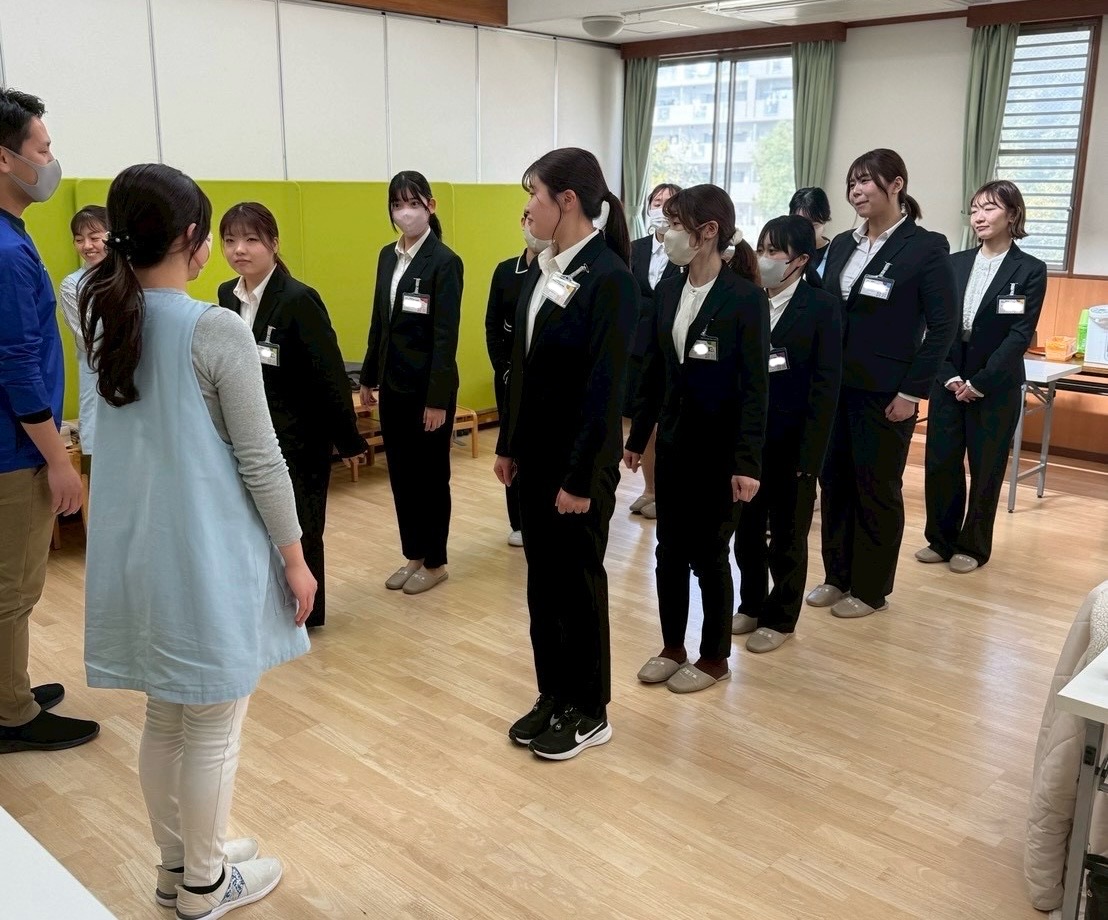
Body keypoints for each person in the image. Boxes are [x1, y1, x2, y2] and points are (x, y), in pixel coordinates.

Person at [80, 163, 315, 917]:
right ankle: (207, 885)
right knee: (213, 722)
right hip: (205, 556)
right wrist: (296, 558)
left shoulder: (102, 314)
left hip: (138, 552)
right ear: (192, 238)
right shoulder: (214, 328)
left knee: (167, 716)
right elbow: (262, 459)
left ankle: (179, 863)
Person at [494, 147, 637, 759]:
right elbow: (521, 369)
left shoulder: (610, 279)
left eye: (535, 195)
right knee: (543, 586)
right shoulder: (543, 271)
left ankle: (590, 709)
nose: (529, 208)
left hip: (579, 466)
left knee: (578, 586)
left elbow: (604, 391)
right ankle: (553, 693)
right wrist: (508, 444)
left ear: (568, 201)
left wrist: (579, 479)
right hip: (536, 459)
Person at [626, 185, 769, 691]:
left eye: (675, 224)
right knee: (668, 550)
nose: (665, 234)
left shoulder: (744, 299)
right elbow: (654, 371)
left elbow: (756, 388)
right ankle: (672, 646)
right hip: (673, 445)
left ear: (707, 232)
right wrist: (637, 435)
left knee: (710, 554)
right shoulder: (669, 288)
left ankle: (714, 657)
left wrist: (747, 462)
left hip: (720, 451)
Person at [807, 148, 957, 619]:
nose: (856, 190)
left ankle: (870, 589)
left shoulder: (925, 247)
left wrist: (912, 392)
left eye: (866, 181)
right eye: (851, 182)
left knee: (876, 488)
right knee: (834, 483)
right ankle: (837, 576)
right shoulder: (841, 245)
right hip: (834, 388)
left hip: (887, 392)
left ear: (896, 185)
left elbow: (943, 326)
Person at [0, 87, 99, 755]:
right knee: (14, 587)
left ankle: (10, 688)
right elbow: (17, 365)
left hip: (17, 443)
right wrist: (58, 459)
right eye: (42, 149)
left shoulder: (14, 237)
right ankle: (11, 714)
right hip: (15, 452)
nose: (50, 161)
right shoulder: (8, 252)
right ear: (5, 159)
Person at [217, 202, 366, 628]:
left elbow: (328, 372)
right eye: (230, 240)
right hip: (249, 435)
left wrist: (348, 438)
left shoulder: (298, 299)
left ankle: (307, 615)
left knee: (302, 526)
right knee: (257, 526)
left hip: (299, 438)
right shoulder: (227, 296)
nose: (239, 249)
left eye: (251, 239)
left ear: (273, 244)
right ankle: (268, 606)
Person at [917, 180, 1046, 573]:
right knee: (941, 462)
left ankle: (972, 547)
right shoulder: (953, 263)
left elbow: (1019, 335)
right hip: (949, 379)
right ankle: (940, 540)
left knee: (986, 467)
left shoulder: (1030, 269)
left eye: (989, 208)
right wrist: (949, 376)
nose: (979, 216)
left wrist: (980, 382)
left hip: (996, 385)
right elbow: (935, 325)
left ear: (1012, 214)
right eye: (974, 209)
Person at [732, 216, 841, 653]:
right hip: (749, 441)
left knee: (788, 536)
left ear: (801, 260)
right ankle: (751, 603)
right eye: (761, 248)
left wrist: (810, 458)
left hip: (793, 443)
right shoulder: (748, 299)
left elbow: (826, 387)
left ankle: (780, 617)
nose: (765, 258)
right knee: (746, 532)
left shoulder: (821, 308)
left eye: (774, 251)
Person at [359, 171, 462, 596]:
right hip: (393, 386)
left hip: (428, 391)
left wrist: (437, 400)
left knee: (430, 478)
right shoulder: (388, 256)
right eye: (398, 204)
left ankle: (435, 562)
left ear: (430, 206)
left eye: (413, 203)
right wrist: (368, 377)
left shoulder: (444, 261)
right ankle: (413, 554)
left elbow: (445, 336)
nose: (405, 212)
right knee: (401, 475)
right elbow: (379, 321)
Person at [485, 211, 547, 547]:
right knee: (510, 444)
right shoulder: (506, 271)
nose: (530, 224)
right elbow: (492, 326)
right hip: (510, 377)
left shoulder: (558, 273)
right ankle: (518, 521)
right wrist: (504, 368)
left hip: (542, 380)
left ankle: (541, 513)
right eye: (525, 217)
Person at [626, 182, 682, 519]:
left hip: (670, 343)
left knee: (666, 423)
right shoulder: (635, 248)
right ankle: (649, 489)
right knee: (643, 418)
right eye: (656, 201)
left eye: (668, 203)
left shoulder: (685, 249)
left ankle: (667, 491)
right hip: (638, 344)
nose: (660, 208)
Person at [58, 204, 109, 458]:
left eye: (95, 238)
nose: (87, 246)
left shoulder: (136, 276)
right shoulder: (72, 285)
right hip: (99, 379)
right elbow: (89, 338)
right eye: (79, 240)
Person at [789, 187, 832, 284]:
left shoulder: (834, 254)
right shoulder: (786, 249)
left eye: (814, 225)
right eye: (800, 224)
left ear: (825, 220)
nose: (806, 231)